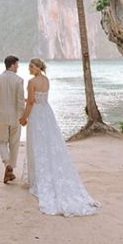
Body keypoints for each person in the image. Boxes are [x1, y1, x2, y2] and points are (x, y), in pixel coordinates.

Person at [20, 58, 99, 217]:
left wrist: (24, 118)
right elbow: (39, 99)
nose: (29, 68)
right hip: (47, 114)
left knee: (37, 145)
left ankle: (37, 179)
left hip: (36, 115)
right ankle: (45, 173)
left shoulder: (31, 82)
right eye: (29, 65)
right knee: (49, 143)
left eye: (32, 66)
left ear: (37, 68)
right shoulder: (46, 80)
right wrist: (28, 101)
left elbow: (31, 102)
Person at [0, 55, 25, 184]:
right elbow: (20, 100)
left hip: (2, 115)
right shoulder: (19, 80)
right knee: (14, 143)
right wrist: (24, 116)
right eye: (17, 65)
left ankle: (7, 165)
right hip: (16, 116)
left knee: (1, 141)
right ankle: (11, 169)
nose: (18, 67)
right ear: (13, 65)